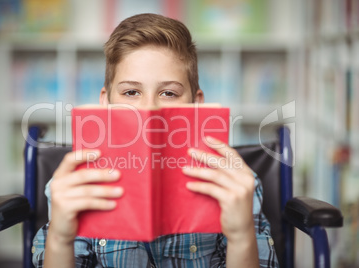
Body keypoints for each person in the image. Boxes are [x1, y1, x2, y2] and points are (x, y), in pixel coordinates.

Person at [32, 13, 278, 268]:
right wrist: (60, 240)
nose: (149, 110)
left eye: (169, 93)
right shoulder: (76, 185)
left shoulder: (236, 184)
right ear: (105, 102)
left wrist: (241, 238)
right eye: (131, 92)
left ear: (196, 104)